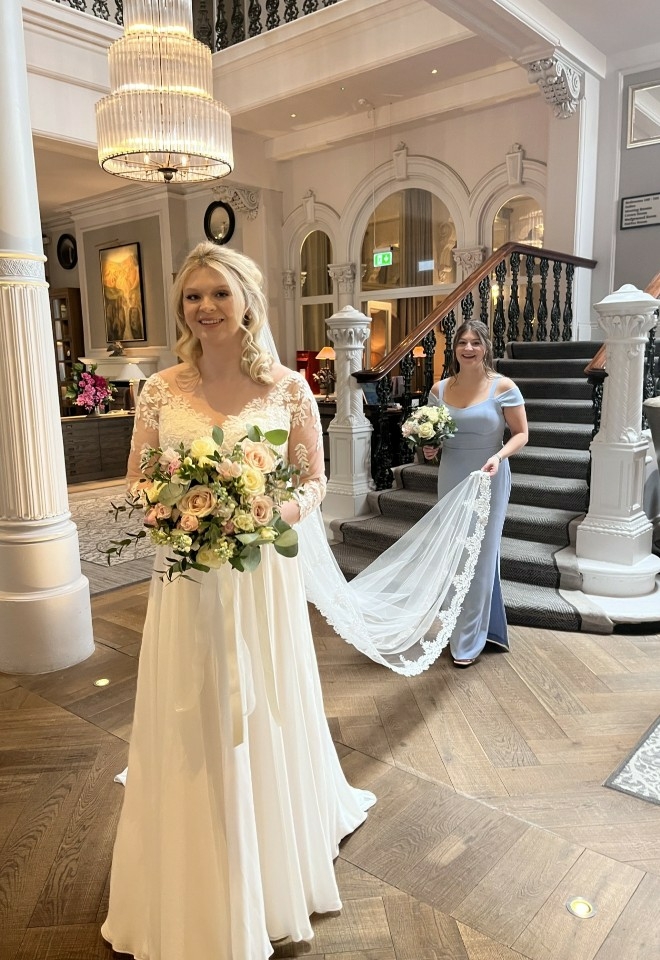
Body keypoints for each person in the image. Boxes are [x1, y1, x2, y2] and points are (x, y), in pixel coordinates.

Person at [101, 243, 375, 960]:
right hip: (186, 578)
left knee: (261, 701)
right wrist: (174, 511)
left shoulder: (287, 388)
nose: (205, 308)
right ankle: (193, 859)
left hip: (260, 578)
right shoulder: (159, 389)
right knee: (190, 701)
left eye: (219, 293)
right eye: (193, 296)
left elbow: (311, 482)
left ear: (248, 300)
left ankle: (270, 858)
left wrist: (262, 516)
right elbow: (136, 477)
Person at [424, 319, 528, 667]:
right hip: (452, 473)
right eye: (462, 343)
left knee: (481, 556)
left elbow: (521, 434)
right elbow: (436, 436)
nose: (468, 349)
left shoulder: (503, 387)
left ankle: (469, 640)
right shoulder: (439, 390)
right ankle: (464, 628)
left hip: (489, 476)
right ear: (454, 349)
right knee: (454, 553)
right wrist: (429, 448)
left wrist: (498, 456)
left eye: (475, 343)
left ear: (486, 347)